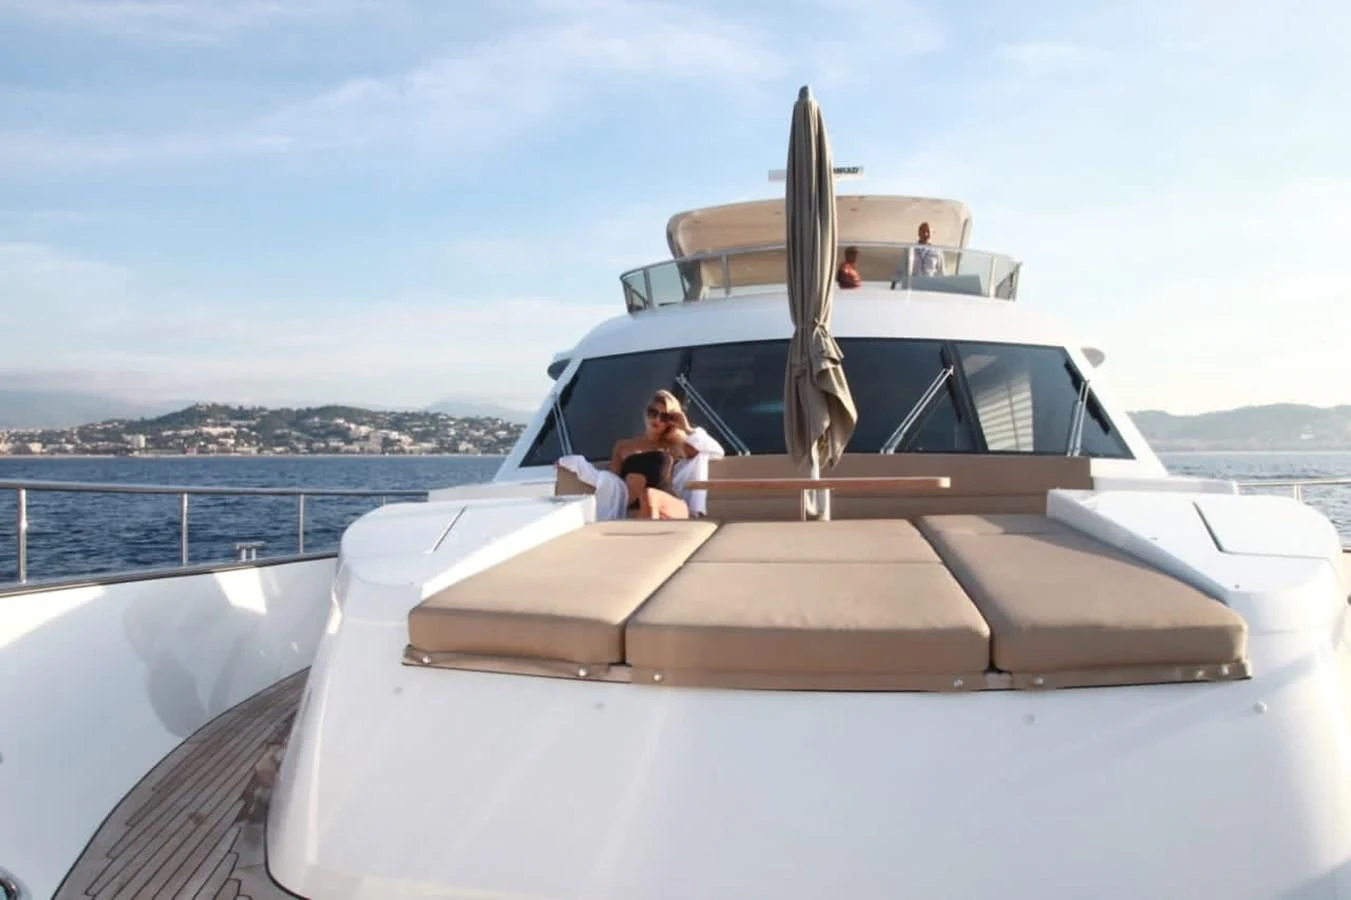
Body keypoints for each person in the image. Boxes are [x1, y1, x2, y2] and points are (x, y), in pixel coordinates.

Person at [609, 390, 697, 519]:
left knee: (649, 496)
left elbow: (713, 451)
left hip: (669, 503)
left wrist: (687, 428)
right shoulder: (623, 446)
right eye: (653, 413)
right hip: (638, 507)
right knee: (641, 509)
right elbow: (612, 482)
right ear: (646, 413)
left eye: (665, 417)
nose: (657, 419)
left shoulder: (675, 445)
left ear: (671, 421)